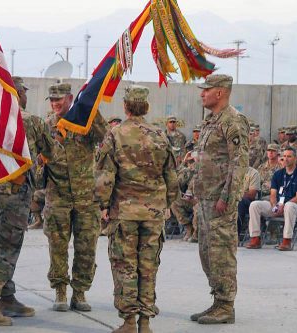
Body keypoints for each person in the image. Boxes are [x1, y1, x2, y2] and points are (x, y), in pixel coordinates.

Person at [95, 85, 178, 333]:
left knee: (125, 266)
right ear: (147, 107)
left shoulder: (115, 134)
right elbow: (171, 177)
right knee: (148, 266)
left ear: (125, 106)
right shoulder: (160, 135)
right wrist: (167, 204)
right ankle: (146, 322)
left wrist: (103, 205)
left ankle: (129, 321)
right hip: (153, 215)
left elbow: (105, 176)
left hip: (125, 213)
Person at [0, 76, 52, 326]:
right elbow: (51, 153)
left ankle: (7, 297)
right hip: (16, 192)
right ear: (18, 95)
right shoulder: (33, 122)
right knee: (8, 244)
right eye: (23, 92)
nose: (26, 96)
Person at [42, 82, 107, 312]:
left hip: (86, 197)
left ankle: (79, 292)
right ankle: (60, 290)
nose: (55, 104)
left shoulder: (84, 122)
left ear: (70, 98)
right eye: (51, 100)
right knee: (58, 246)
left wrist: (92, 110)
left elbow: (106, 138)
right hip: (57, 195)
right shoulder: (48, 125)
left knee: (86, 247)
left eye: (58, 99)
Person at [190, 74, 249, 325]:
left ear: (220, 93)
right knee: (207, 253)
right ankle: (217, 300)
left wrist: (228, 197)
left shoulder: (233, 121)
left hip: (220, 201)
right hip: (205, 198)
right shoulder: (211, 121)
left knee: (221, 252)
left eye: (206, 90)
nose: (202, 94)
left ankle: (226, 306)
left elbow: (239, 163)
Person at [246, 147, 297, 251]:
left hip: (294, 206)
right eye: (284, 156)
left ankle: (286, 240)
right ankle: (255, 238)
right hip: (279, 205)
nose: (286, 159)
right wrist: (275, 206)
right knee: (255, 205)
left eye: (289, 156)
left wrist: (283, 205)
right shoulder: (278, 174)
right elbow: (273, 194)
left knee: (289, 206)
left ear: (295, 158)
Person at [170, 152, 197, 242]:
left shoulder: (207, 171)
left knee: (198, 207)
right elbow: (178, 183)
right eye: (189, 162)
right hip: (193, 200)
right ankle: (188, 227)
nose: (191, 164)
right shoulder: (190, 172)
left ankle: (196, 233)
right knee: (174, 203)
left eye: (193, 161)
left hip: (205, 201)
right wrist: (188, 195)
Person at [237, 167, 260, 237]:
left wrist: (236, 195)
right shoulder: (230, 171)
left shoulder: (253, 173)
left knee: (240, 202)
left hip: (248, 202)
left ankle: (236, 235)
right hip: (233, 199)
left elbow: (252, 195)